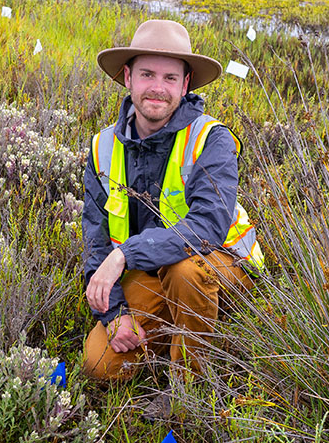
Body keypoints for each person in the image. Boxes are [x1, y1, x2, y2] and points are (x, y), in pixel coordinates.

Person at [81, 19, 264, 381]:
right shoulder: (102, 148)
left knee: (185, 271)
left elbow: (208, 227)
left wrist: (124, 256)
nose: (157, 89)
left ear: (185, 84)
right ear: (128, 77)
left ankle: (188, 384)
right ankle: (179, 330)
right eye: (148, 74)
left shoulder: (212, 140)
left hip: (224, 268)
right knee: (100, 365)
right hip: (152, 274)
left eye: (169, 78)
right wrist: (116, 314)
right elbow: (95, 240)